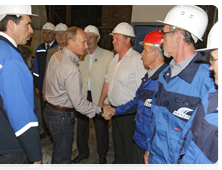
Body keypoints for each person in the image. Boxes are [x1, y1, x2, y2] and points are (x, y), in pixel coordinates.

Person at [144, 5, 215, 170]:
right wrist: (150, 148)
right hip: (157, 161)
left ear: (178, 35)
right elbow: (156, 119)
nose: (161, 40)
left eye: (164, 34)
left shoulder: (208, 80)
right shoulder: (164, 75)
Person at [43, 26, 109, 170]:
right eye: (83, 42)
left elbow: (48, 83)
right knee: (63, 160)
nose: (86, 46)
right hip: (61, 116)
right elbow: (79, 104)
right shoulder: (71, 68)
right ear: (71, 42)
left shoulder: (56, 56)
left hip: (50, 111)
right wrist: (101, 110)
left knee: (59, 154)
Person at [0, 5, 42, 169]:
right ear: (11, 24)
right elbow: (20, 112)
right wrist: (34, 150)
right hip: (14, 146)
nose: (31, 30)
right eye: (27, 24)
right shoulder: (10, 58)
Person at [103, 30, 168, 170]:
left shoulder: (165, 81)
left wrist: (151, 146)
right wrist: (115, 110)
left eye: (145, 50)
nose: (142, 54)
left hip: (150, 144)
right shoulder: (149, 78)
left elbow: (162, 121)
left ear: (155, 53)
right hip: (140, 139)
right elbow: (136, 102)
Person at [98, 22, 147, 170]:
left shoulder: (137, 60)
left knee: (129, 147)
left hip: (129, 114)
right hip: (115, 110)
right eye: (113, 38)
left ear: (127, 40)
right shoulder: (114, 60)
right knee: (118, 144)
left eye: (117, 38)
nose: (113, 41)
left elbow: (143, 90)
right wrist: (101, 102)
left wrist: (140, 112)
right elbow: (107, 82)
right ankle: (118, 166)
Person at [173, 20, 220, 170]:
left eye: (213, 59)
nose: (210, 67)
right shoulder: (212, 97)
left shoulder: (203, 80)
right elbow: (188, 136)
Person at [71, 25, 114, 166]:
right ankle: (83, 153)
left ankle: (102, 155)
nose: (88, 40)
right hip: (83, 95)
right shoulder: (79, 55)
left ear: (98, 38)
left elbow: (111, 79)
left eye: (91, 37)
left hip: (100, 96)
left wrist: (107, 100)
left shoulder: (108, 55)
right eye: (86, 37)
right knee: (81, 127)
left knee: (101, 128)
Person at [33, 22, 58, 139]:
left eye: (49, 33)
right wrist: (37, 84)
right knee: (43, 108)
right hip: (42, 84)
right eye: (44, 33)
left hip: (54, 84)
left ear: (54, 35)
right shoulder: (40, 49)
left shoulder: (58, 48)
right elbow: (36, 68)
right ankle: (46, 130)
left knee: (53, 108)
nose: (46, 35)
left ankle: (54, 131)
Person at [42, 23, 68, 97]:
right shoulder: (51, 52)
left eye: (62, 34)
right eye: (57, 34)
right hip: (54, 89)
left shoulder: (73, 51)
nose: (60, 36)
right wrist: (44, 90)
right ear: (55, 36)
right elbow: (47, 72)